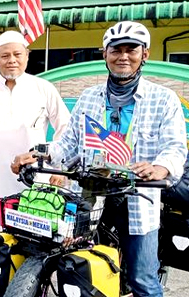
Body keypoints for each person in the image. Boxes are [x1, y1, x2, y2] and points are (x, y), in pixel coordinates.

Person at [12, 21, 188, 297]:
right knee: (72, 265)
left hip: (138, 198)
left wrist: (160, 167)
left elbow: (175, 148)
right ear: (104, 54)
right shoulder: (89, 97)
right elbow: (69, 145)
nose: (123, 56)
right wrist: (37, 154)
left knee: (142, 279)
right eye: (116, 50)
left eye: (132, 49)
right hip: (91, 196)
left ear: (146, 54)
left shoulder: (163, 99)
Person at [0, 31, 71, 297]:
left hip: (34, 179)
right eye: (5, 55)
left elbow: (66, 129)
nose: (11, 61)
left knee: (32, 237)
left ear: (27, 57)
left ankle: (28, 287)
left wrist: (59, 166)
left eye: (17, 54)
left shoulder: (43, 88)